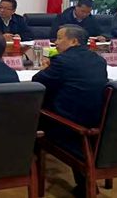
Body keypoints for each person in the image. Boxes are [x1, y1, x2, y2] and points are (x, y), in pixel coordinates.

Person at [32, 24, 107, 197]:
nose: (55, 42)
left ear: (74, 41)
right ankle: (85, 184)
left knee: (33, 114)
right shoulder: (98, 60)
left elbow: (38, 82)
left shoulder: (62, 61)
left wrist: (46, 69)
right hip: (96, 122)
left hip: (67, 126)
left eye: (59, 38)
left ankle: (31, 176)